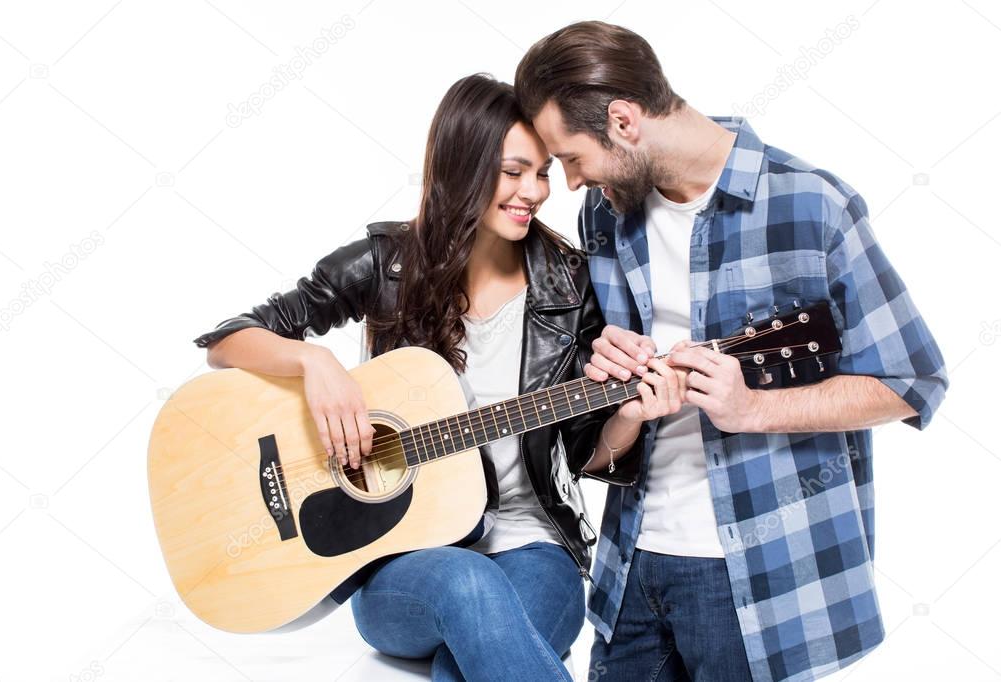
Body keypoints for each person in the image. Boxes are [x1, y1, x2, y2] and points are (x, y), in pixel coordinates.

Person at [193, 73, 678, 682]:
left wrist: (627, 416)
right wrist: (313, 363)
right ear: (463, 165)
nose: (535, 191)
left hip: (534, 547)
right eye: (513, 171)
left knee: (465, 665)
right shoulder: (387, 262)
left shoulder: (572, 285)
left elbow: (587, 452)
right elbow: (228, 339)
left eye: (545, 171)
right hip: (404, 563)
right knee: (467, 583)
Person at [514, 21, 949, 682]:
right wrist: (613, 379)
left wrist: (754, 409)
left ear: (623, 121)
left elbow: (912, 379)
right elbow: (603, 429)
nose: (570, 182)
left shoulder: (811, 206)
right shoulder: (606, 215)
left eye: (570, 157)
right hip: (630, 562)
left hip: (759, 580)